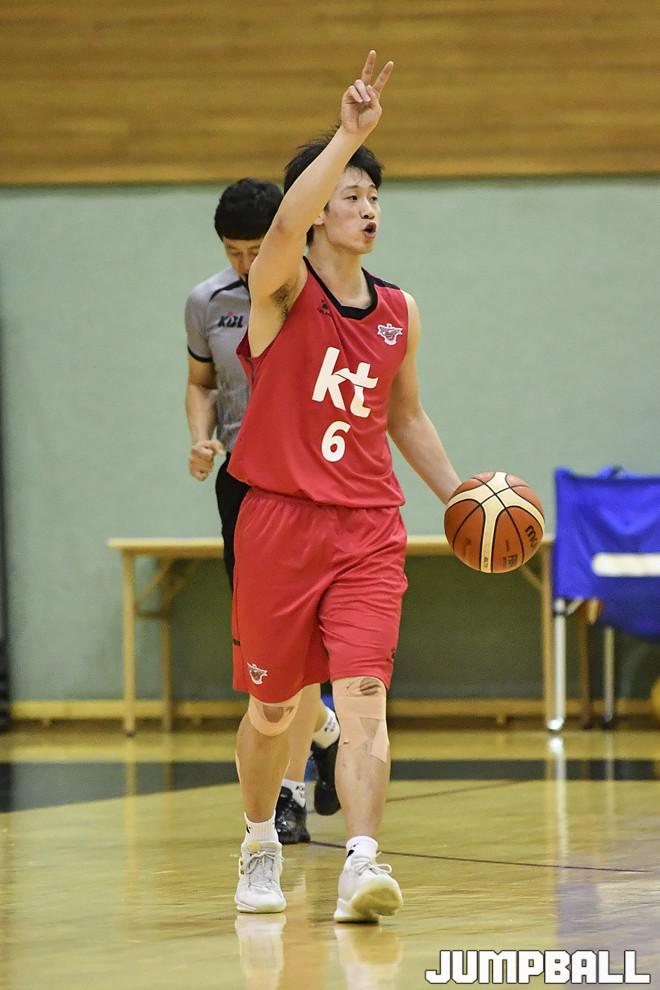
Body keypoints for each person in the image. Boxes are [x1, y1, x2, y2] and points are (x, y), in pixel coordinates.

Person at [229, 52, 461, 921]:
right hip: (280, 523)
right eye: (352, 196)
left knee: (364, 699)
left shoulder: (399, 310)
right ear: (321, 207)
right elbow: (286, 221)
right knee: (272, 710)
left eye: (374, 197)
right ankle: (258, 842)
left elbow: (406, 416)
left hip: (367, 527)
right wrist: (348, 136)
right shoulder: (279, 289)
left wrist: (458, 498)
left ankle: (362, 863)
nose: (369, 209)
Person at [184, 177, 340, 844]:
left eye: (257, 248)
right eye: (234, 251)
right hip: (245, 484)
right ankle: (325, 729)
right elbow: (201, 383)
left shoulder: (318, 294)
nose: (248, 263)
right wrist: (200, 436)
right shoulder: (206, 301)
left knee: (301, 648)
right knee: (270, 649)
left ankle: (289, 795)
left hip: (312, 483)